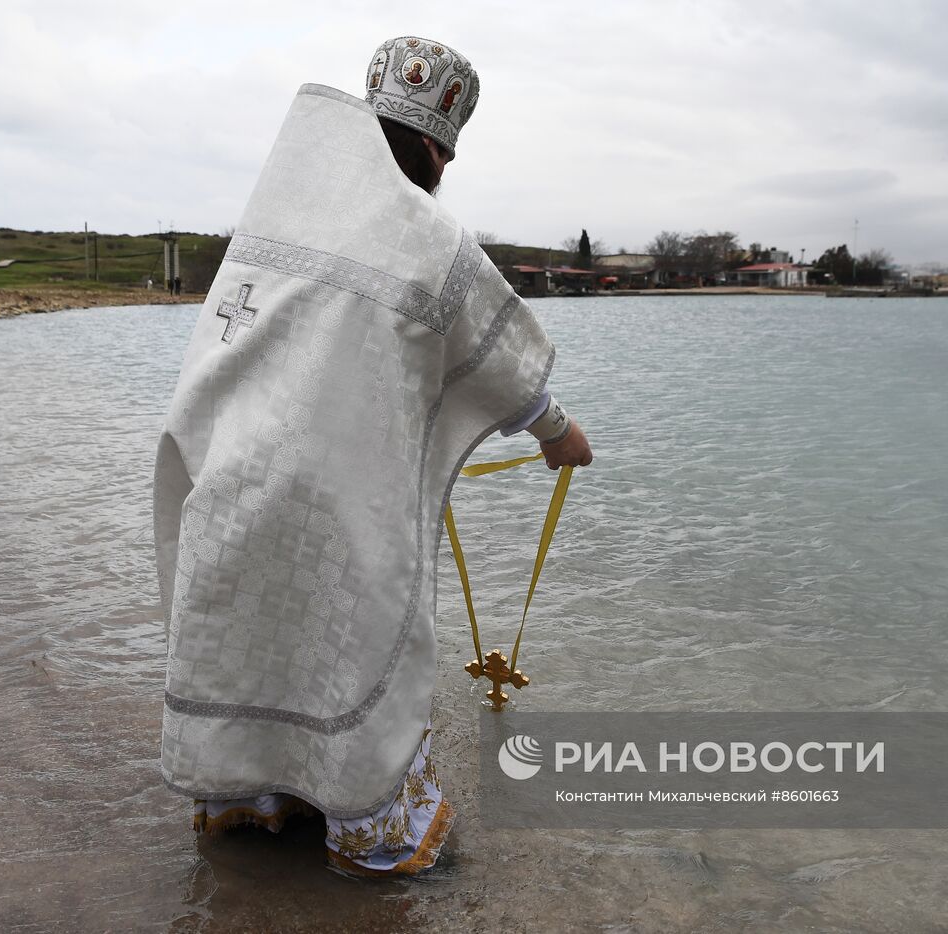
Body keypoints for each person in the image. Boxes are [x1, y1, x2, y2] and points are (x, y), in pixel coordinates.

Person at [152, 35, 592, 878]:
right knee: (345, 643)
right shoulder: (428, 236)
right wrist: (558, 436)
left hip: (226, 480)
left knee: (255, 633)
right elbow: (502, 363)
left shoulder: (272, 221)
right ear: (435, 146)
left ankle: (252, 799)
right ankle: (369, 832)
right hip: (335, 503)